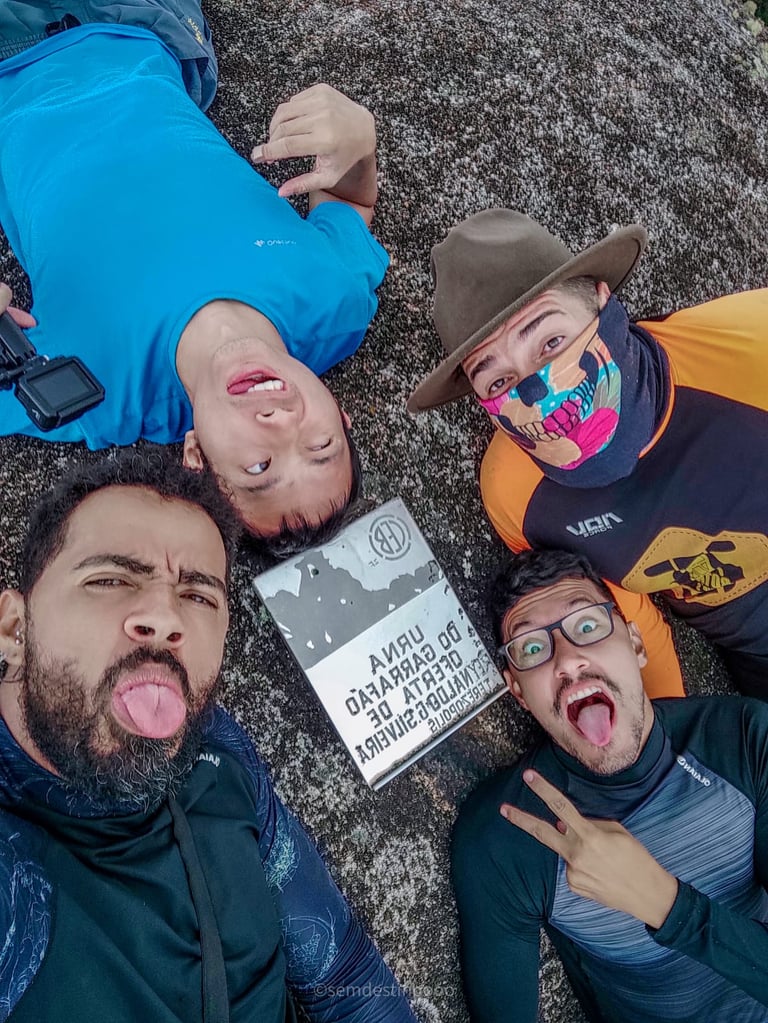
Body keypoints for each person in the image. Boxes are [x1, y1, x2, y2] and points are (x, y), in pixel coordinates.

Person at [0, 449, 415, 1022]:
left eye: (197, 596)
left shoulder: (218, 751)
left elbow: (343, 972)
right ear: (13, 628)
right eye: (110, 579)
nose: (165, 617)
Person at [0, 0, 388, 553]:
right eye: (320, 446)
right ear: (341, 417)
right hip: (146, 28)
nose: (281, 423)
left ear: (196, 455)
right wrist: (357, 145)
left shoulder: (93, 395)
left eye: (259, 466)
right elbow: (350, 206)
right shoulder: (336, 304)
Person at [407, 209, 768, 699]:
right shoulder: (519, 496)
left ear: (602, 299)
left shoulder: (754, 345)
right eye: (497, 380)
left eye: (551, 342)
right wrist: (672, 732)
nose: (536, 391)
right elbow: (624, 621)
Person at [452, 547, 768, 1023]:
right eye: (532, 648)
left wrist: (667, 906)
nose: (568, 660)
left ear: (636, 645)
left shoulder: (744, 739)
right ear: (517, 691)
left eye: (587, 625)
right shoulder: (508, 834)